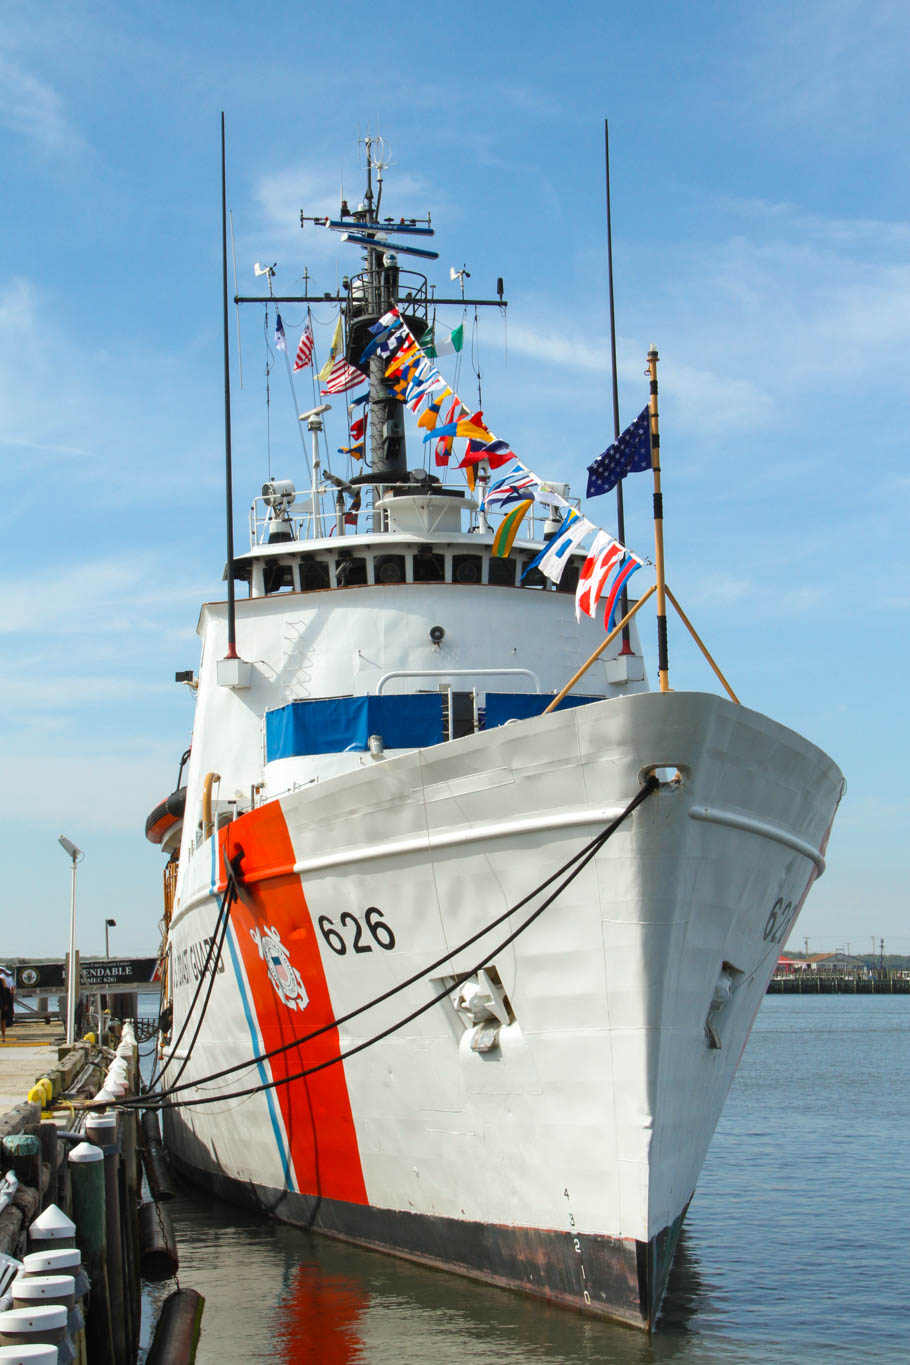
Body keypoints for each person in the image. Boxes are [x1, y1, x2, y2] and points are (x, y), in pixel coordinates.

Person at [0, 967, 14, 1043]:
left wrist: (8, 1006)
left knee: (3, 1022)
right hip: (3, 1004)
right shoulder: (3, 980)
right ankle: (3, 1037)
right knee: (3, 1022)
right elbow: (8, 995)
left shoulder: (2, 980)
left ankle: (4, 1037)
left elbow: (8, 995)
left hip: (3, 1005)